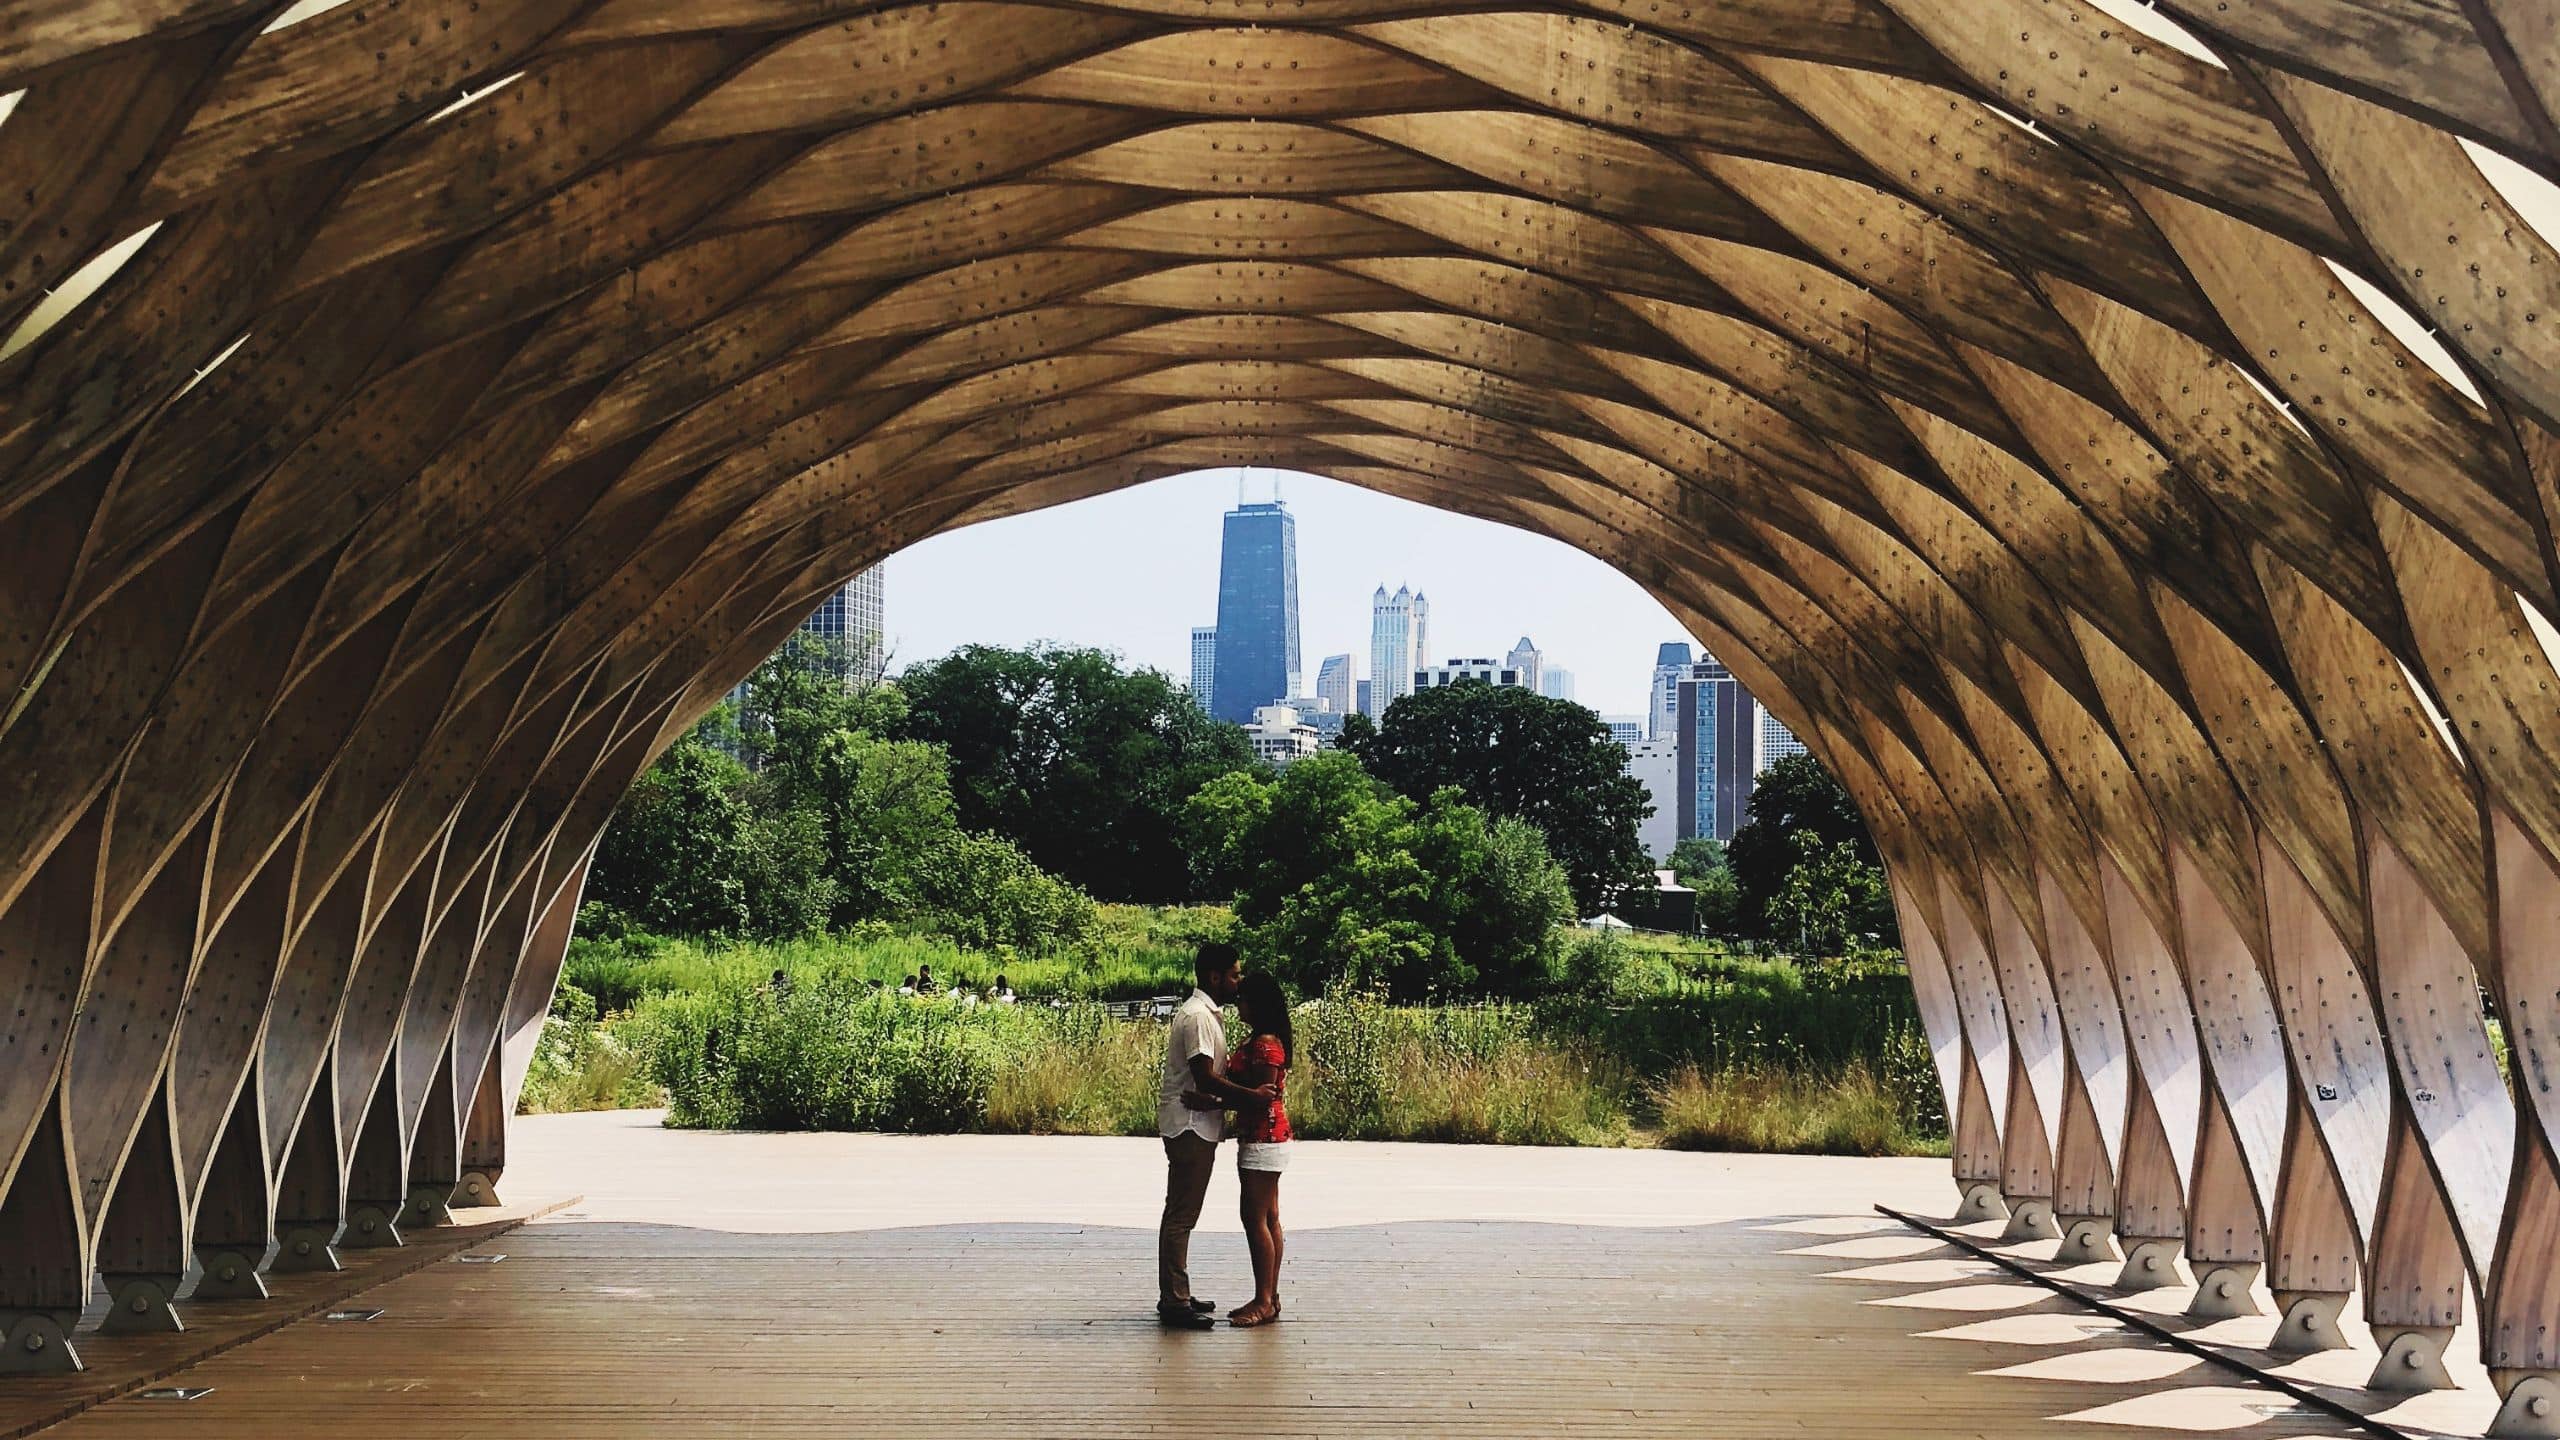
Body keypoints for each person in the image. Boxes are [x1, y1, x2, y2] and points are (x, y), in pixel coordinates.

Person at [1156, 943, 1274, 1329]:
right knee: (1182, 1214)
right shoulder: (1198, 1017)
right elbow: (1204, 1076)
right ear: (1215, 977)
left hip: (1196, 1122)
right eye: (1235, 975)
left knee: (1182, 1212)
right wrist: (1253, 1097)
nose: (1239, 982)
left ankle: (1178, 1291)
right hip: (1189, 1124)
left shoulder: (1203, 1014)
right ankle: (1175, 1300)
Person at [1206, 971, 1292, 1327]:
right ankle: (1269, 1296)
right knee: (1268, 1217)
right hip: (1267, 1137)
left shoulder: (1264, 1044)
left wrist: (1213, 1100)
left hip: (1263, 1138)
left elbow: (1260, 1098)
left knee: (1255, 1218)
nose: (1238, 1004)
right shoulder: (1263, 1040)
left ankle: (1263, 1300)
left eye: (1243, 999)